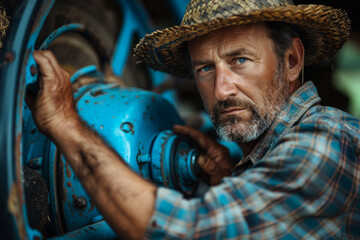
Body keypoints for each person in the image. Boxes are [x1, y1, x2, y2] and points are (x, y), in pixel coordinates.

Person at [27, 0, 360, 239]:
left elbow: (187, 229)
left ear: (291, 60)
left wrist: (65, 123)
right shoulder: (271, 156)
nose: (221, 89)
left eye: (240, 60)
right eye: (205, 68)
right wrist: (235, 183)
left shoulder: (326, 138)